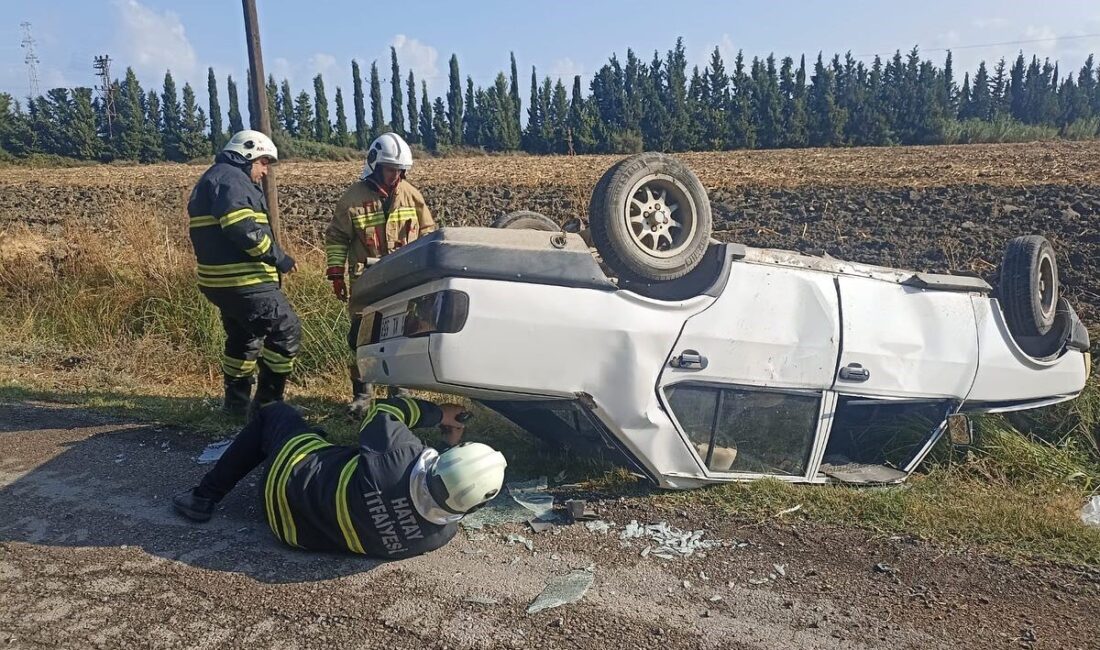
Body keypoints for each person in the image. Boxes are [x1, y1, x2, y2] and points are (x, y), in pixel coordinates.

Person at [172, 398, 507, 559]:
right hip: (293, 534)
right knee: (331, 446)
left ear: (443, 462)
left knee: (275, 415)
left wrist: (441, 414)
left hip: (286, 475)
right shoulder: (439, 536)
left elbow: (386, 410)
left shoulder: (398, 454)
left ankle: (203, 497)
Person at [187, 129, 300, 417]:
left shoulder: (214, 178)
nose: (265, 171)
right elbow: (243, 229)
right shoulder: (232, 180)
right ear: (247, 154)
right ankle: (268, 406)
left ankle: (235, 405)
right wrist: (280, 259)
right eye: (263, 162)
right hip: (244, 280)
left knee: (244, 337)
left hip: (220, 282)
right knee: (286, 331)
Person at [324, 132, 437, 417]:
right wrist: (336, 274)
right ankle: (363, 397)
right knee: (362, 339)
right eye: (390, 170)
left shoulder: (412, 196)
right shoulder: (353, 199)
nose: (395, 176)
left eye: (400, 170)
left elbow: (428, 233)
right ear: (375, 165)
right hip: (368, 282)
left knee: (402, 337)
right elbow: (337, 238)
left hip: (404, 282)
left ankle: (400, 396)